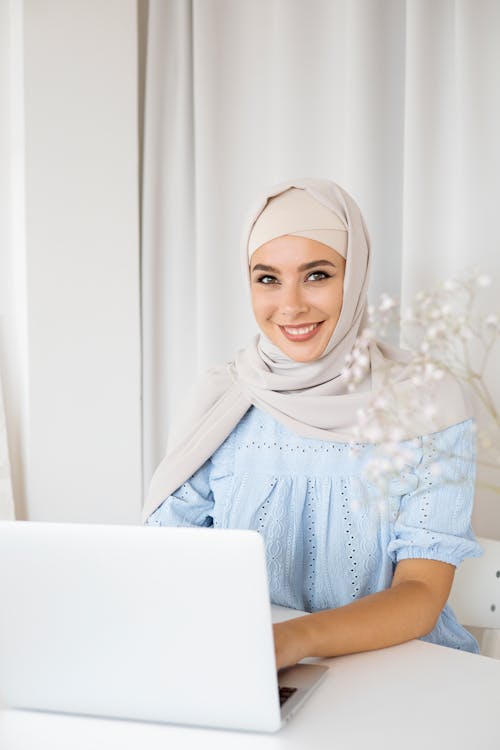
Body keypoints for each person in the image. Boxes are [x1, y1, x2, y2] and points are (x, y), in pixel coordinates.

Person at [143, 177, 482, 670]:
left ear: (357, 274)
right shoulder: (222, 397)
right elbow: (169, 561)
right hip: (249, 665)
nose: (291, 304)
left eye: (317, 275)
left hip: (403, 671)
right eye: (268, 278)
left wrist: (290, 641)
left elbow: (422, 591)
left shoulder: (424, 400)